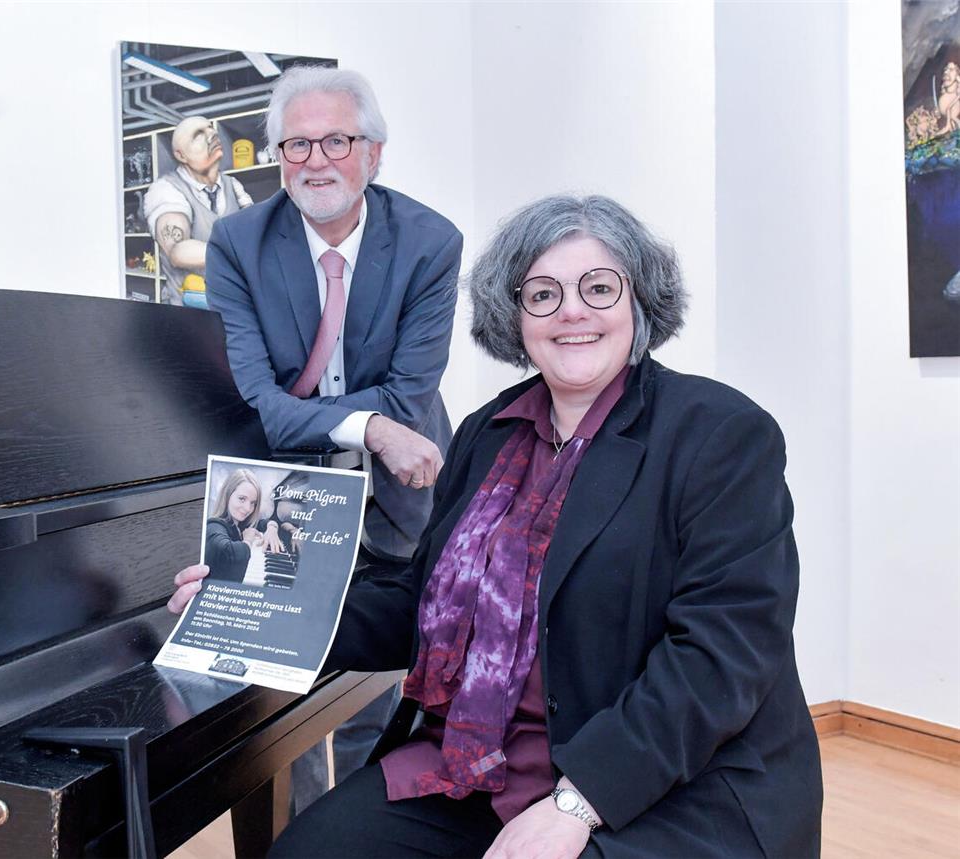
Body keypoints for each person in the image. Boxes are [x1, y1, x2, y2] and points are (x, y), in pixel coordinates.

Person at [171, 194, 823, 857]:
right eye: (543, 294)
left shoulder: (719, 433)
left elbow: (721, 656)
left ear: (640, 299)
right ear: (515, 316)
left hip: (660, 785)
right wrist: (258, 608)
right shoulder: (488, 432)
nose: (572, 311)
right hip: (477, 767)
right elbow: (418, 602)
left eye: (599, 288)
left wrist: (578, 803)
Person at [197, 65, 464, 813]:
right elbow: (258, 403)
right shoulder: (238, 243)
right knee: (275, 696)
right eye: (297, 144)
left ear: (373, 153)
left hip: (398, 498)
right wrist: (370, 425)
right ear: (279, 156)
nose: (315, 161)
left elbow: (409, 397)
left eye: (336, 141)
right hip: (278, 491)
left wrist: (362, 419)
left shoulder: (430, 242)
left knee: (372, 696)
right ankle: (293, 838)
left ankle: (359, 829)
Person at [142, 115, 254, 306]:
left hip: (233, 306)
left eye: (210, 128)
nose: (212, 134)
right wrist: (237, 254)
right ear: (181, 155)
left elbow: (254, 234)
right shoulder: (165, 189)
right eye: (198, 135)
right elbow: (178, 251)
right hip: (188, 311)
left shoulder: (232, 185)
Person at [203, 468, 264, 582]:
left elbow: (262, 523)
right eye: (242, 499)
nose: (248, 509)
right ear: (228, 495)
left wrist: (272, 527)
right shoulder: (214, 526)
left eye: (253, 503)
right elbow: (229, 552)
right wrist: (248, 540)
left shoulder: (239, 524)